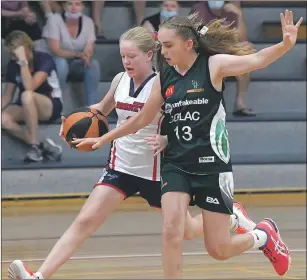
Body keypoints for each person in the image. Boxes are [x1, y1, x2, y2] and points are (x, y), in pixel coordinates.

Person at [8, 26, 256, 280]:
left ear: (150, 55)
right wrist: (71, 121)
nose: (126, 61)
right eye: (122, 56)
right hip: (121, 166)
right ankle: (38, 276)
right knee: (85, 221)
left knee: (188, 230)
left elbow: (184, 125)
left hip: (157, 172)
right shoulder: (119, 81)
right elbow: (100, 110)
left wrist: (166, 138)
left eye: (131, 56)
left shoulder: (163, 83)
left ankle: (231, 218)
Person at [71, 10, 303, 278]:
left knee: (219, 250)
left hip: (211, 166)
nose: (164, 52)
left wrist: (285, 44)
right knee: (172, 229)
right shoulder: (164, 78)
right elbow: (141, 119)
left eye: (169, 46)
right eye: (161, 46)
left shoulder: (213, 65)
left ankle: (263, 236)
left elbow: (257, 60)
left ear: (188, 44)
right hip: (176, 164)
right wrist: (104, 137)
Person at [1, 31, 63, 162]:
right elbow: (7, 96)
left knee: (27, 95)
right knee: (3, 119)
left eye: (14, 53)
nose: (12, 57)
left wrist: (23, 61)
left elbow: (30, 87)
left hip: (50, 104)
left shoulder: (44, 58)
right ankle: (40, 144)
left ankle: (34, 147)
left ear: (24, 48)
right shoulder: (13, 65)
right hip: (26, 104)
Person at [191, 1, 254, 116]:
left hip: (227, 50)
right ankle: (208, 104)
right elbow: (198, 33)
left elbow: (242, 37)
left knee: (245, 52)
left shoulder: (231, 10)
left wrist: (239, 15)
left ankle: (239, 103)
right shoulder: (199, 9)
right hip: (206, 49)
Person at [42, 0, 101, 106]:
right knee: (61, 64)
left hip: (75, 63)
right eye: (70, 4)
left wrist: (87, 56)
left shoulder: (88, 22)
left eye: (77, 4)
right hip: (55, 62)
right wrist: (78, 54)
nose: (74, 7)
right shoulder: (54, 20)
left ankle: (93, 109)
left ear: (82, 7)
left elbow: (89, 47)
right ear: (64, 6)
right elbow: (55, 50)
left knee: (93, 64)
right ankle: (56, 103)